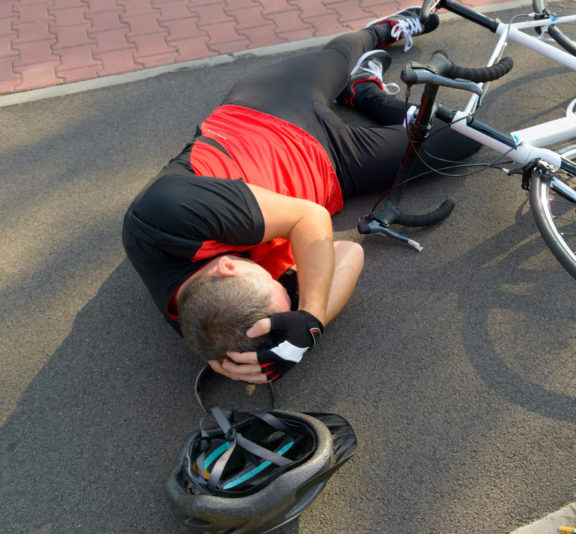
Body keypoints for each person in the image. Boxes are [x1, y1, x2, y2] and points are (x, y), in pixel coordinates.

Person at [122, 7, 481, 384]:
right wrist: (307, 334)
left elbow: (307, 218)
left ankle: (383, 29)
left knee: (341, 55)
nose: (284, 282)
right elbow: (348, 252)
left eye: (274, 282)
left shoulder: (161, 215)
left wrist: (308, 314)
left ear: (226, 268)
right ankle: (365, 94)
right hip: (336, 168)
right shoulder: (226, 323)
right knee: (464, 136)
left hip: (268, 110)